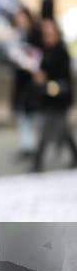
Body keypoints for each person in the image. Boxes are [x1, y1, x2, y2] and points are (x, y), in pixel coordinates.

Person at [31, 19, 77, 172]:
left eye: (50, 34)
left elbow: (64, 81)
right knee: (47, 130)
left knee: (61, 130)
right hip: (46, 99)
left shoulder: (62, 53)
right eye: (46, 34)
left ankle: (38, 162)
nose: (48, 37)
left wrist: (47, 82)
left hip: (59, 99)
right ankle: (38, 162)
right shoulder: (43, 52)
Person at [7, 6, 43, 161]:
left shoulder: (35, 36)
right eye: (18, 19)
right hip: (20, 82)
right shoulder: (17, 36)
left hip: (32, 83)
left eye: (23, 18)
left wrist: (27, 62)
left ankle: (35, 147)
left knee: (32, 114)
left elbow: (37, 59)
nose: (21, 22)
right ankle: (27, 146)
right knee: (21, 113)